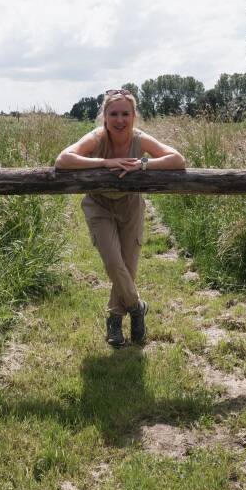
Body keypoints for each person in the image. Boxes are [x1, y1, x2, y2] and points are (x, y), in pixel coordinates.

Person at [55, 89, 186, 347]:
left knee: (129, 266)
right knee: (114, 264)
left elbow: (178, 160)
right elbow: (63, 159)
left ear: (134, 116)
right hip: (99, 205)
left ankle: (115, 321)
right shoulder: (97, 137)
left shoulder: (140, 139)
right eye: (113, 114)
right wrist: (104, 163)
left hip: (130, 206)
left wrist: (143, 164)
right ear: (104, 116)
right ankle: (137, 308)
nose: (119, 120)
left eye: (125, 114)